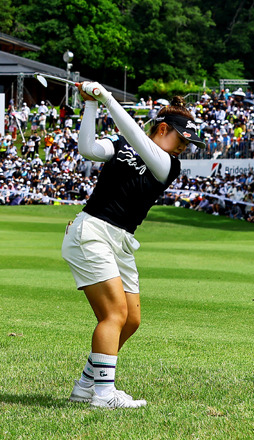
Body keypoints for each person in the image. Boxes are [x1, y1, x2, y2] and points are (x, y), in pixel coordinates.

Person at [62, 81, 205, 409]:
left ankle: (86, 384)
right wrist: (92, 104)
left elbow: (139, 139)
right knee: (114, 314)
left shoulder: (168, 165)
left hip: (122, 240)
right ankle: (103, 394)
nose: (185, 147)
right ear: (164, 128)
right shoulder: (122, 144)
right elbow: (88, 149)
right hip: (93, 232)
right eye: (182, 139)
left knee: (131, 320)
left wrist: (107, 97)